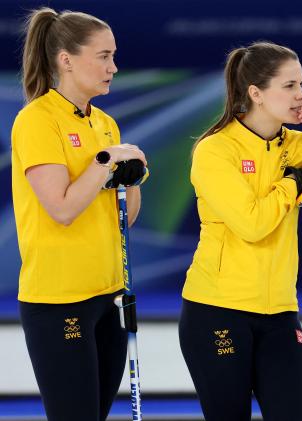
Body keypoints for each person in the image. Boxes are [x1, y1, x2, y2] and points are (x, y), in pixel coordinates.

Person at [179, 41, 302, 421]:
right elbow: (252, 224)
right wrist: (293, 184)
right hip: (218, 310)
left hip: (280, 312)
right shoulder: (215, 150)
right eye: (289, 86)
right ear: (256, 94)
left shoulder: (300, 145)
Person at [11, 8, 148, 421]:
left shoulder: (105, 123)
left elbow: (124, 218)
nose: (113, 67)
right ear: (66, 59)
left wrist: (133, 175)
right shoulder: (36, 120)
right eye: (103, 56)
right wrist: (105, 164)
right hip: (59, 299)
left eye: (114, 56)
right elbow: (62, 209)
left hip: (108, 294)